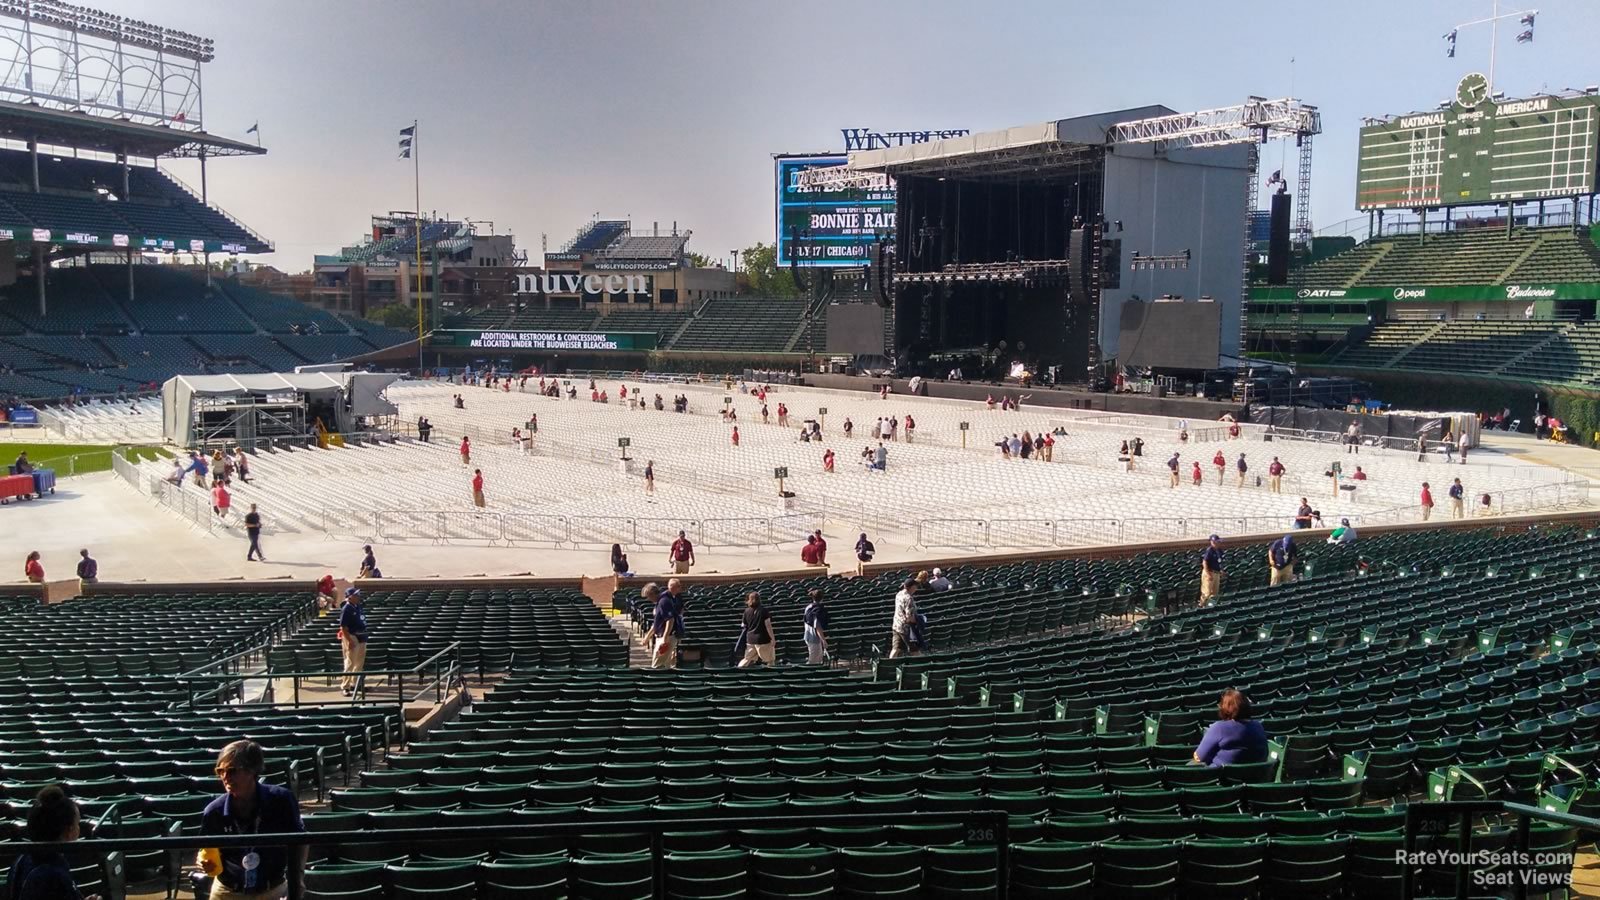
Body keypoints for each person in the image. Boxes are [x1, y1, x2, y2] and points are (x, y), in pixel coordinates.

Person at [199, 740, 305, 900]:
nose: (225, 777)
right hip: (227, 892)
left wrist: (298, 880)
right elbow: (205, 850)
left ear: (252, 770)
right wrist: (203, 862)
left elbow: (301, 840)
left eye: (232, 771)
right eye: (220, 771)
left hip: (273, 890)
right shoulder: (214, 811)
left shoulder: (281, 800)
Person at [8, 785, 96, 900]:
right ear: (69, 831)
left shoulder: (21, 861)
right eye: (77, 823)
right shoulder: (55, 876)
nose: (78, 828)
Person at [1193, 689, 1269, 767]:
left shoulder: (1219, 728)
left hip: (1221, 777)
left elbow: (1199, 757)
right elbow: (1265, 755)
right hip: (1256, 776)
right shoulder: (1258, 726)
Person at [641, 582, 680, 670]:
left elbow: (670, 620)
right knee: (665, 666)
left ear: (653, 594)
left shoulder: (663, 602)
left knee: (657, 666)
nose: (648, 599)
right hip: (663, 636)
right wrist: (647, 637)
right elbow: (657, 623)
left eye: (648, 596)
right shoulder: (660, 602)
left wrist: (665, 638)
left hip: (666, 638)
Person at [337, 588, 368, 695]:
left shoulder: (358, 606)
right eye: (355, 595)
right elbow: (343, 627)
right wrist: (349, 640)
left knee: (359, 662)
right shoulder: (347, 608)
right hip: (352, 636)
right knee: (350, 662)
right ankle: (345, 686)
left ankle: (355, 684)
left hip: (362, 636)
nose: (358, 596)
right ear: (349, 597)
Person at [738, 592, 776, 667]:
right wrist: (773, 638)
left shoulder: (746, 611)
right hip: (763, 640)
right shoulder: (764, 610)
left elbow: (743, 625)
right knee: (770, 660)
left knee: (747, 659)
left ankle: (739, 670)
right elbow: (768, 626)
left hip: (750, 639)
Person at [889, 579, 919, 658]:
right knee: (915, 651)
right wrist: (918, 621)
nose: (916, 589)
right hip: (905, 629)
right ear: (912, 587)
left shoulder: (899, 594)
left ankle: (888, 666)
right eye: (915, 587)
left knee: (896, 649)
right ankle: (921, 668)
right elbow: (909, 617)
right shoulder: (908, 598)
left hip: (896, 625)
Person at [803, 590, 829, 665]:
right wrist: (823, 640)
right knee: (814, 662)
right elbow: (818, 627)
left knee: (816, 659)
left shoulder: (808, 607)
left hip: (808, 636)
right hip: (814, 638)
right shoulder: (819, 610)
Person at [1200, 535, 1224, 605]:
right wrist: (1208, 574)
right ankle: (1202, 605)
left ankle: (1211, 606)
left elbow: (1220, 561)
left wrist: (1221, 570)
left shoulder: (1219, 550)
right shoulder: (1209, 550)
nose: (1218, 543)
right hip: (1210, 572)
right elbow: (1204, 562)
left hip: (1217, 573)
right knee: (1207, 592)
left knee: (1215, 592)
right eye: (1216, 542)